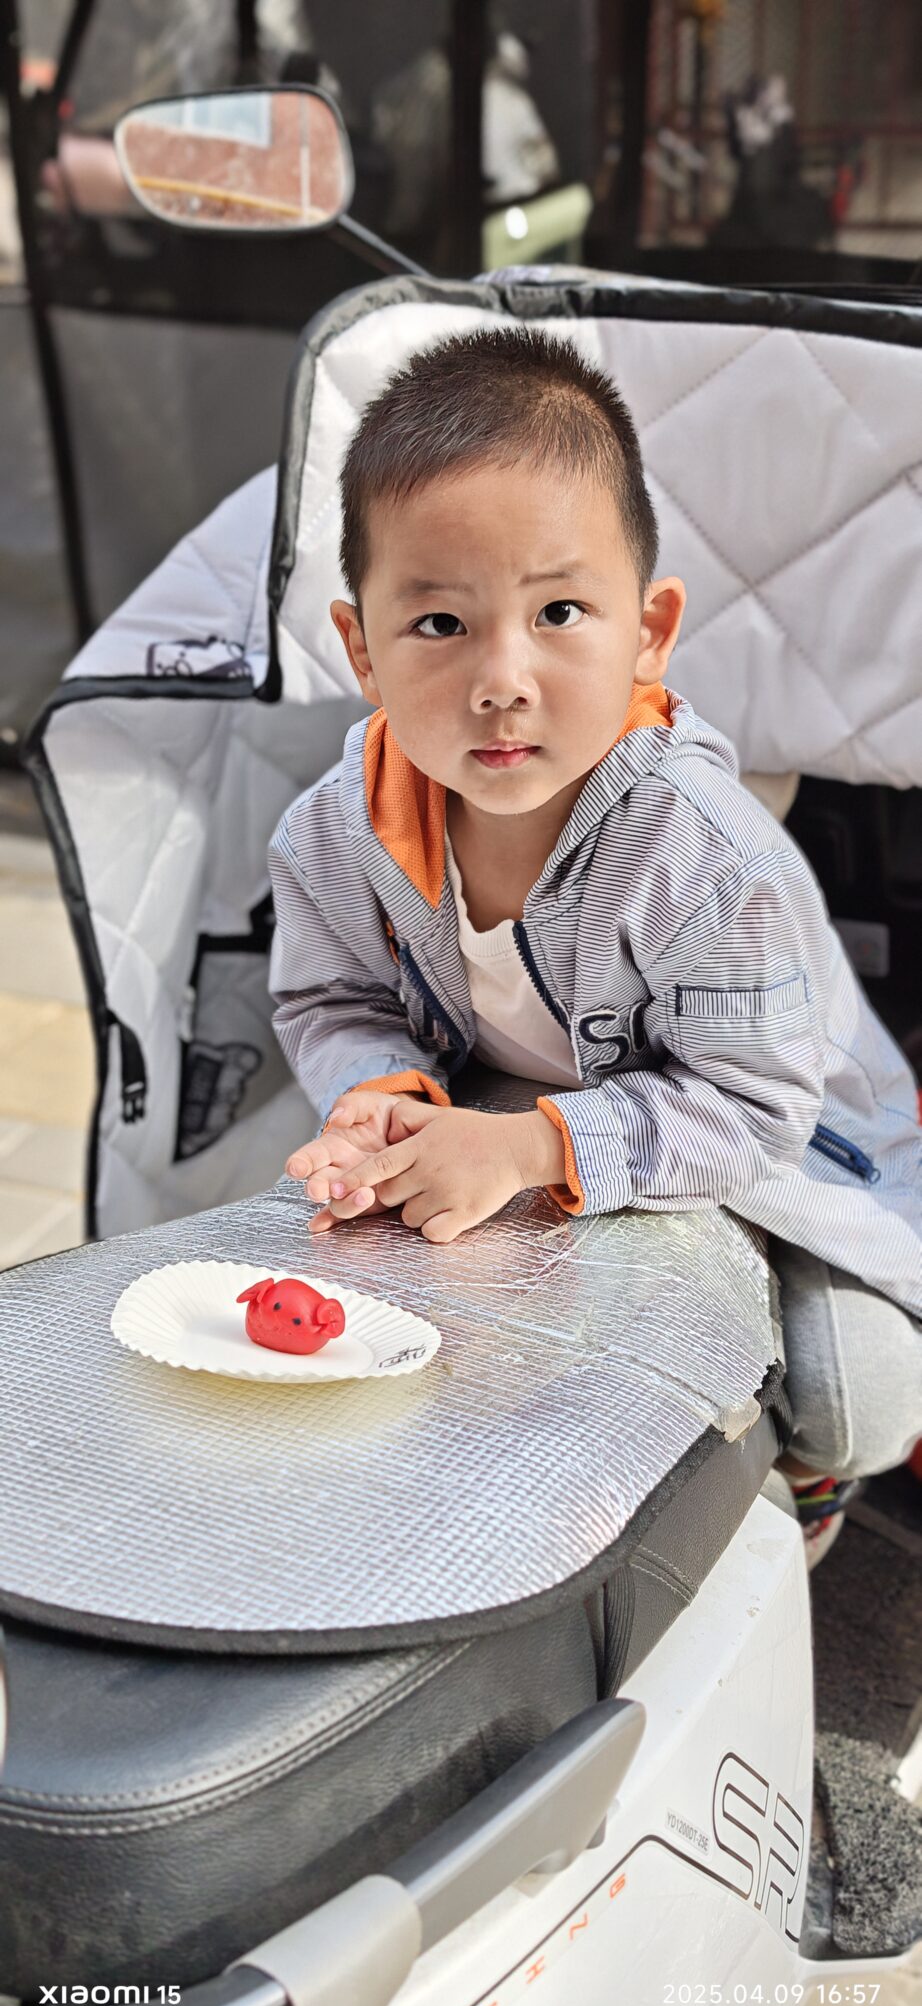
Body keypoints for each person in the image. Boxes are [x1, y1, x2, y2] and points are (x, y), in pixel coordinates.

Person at [268, 328, 921, 1560]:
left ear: (649, 630)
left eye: (559, 611)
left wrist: (535, 1147)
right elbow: (329, 1000)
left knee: (864, 1395)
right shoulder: (334, 830)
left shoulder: (705, 851)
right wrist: (378, 1094)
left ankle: (804, 1472)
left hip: (770, 1129)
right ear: (362, 650)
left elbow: (753, 1112)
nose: (502, 679)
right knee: (351, 1251)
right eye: (440, 623)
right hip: (512, 1096)